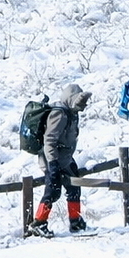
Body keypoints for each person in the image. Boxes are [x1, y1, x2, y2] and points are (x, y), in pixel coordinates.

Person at [28, 83, 92, 238]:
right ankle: (39, 222)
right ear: (71, 99)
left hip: (64, 159)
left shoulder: (71, 112)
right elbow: (49, 140)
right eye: (79, 102)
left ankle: (75, 220)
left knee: (74, 187)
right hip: (53, 159)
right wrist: (53, 163)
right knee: (52, 190)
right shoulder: (60, 114)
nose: (82, 106)